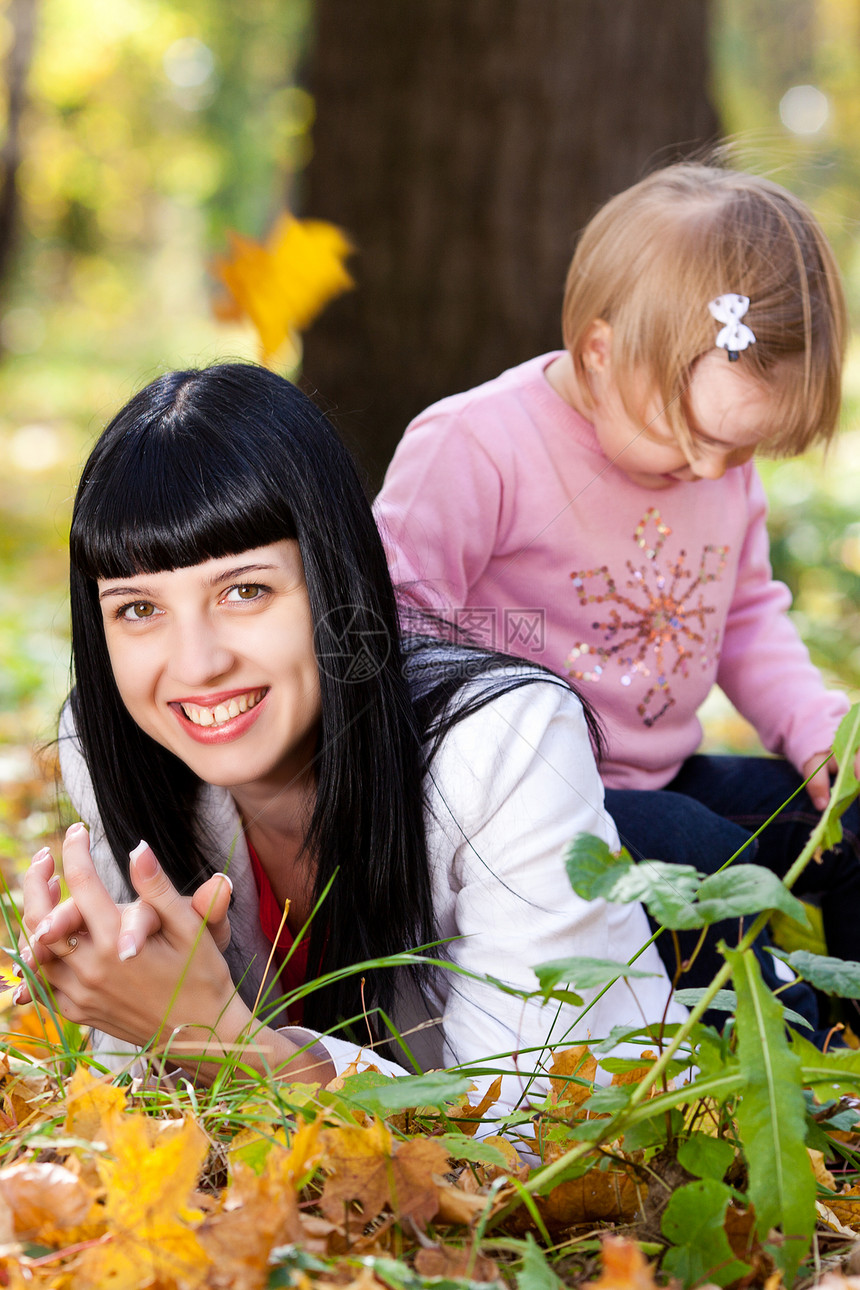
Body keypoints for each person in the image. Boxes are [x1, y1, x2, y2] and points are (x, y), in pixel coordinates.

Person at [14, 363, 687, 1125]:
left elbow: (516, 1138)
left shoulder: (505, 743)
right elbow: (151, 1104)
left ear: (337, 584)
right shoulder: (111, 745)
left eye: (246, 591)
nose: (196, 663)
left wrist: (223, 1039)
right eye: (138, 608)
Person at [374, 161, 860, 1022]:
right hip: (526, 812)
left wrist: (818, 730)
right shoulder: (478, 448)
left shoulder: (716, 466)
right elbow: (386, 632)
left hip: (660, 773)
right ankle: (742, 1041)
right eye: (698, 439)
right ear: (601, 355)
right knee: (701, 867)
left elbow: (746, 615)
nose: (713, 472)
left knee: (848, 820)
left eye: (744, 452)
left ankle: (846, 1021)